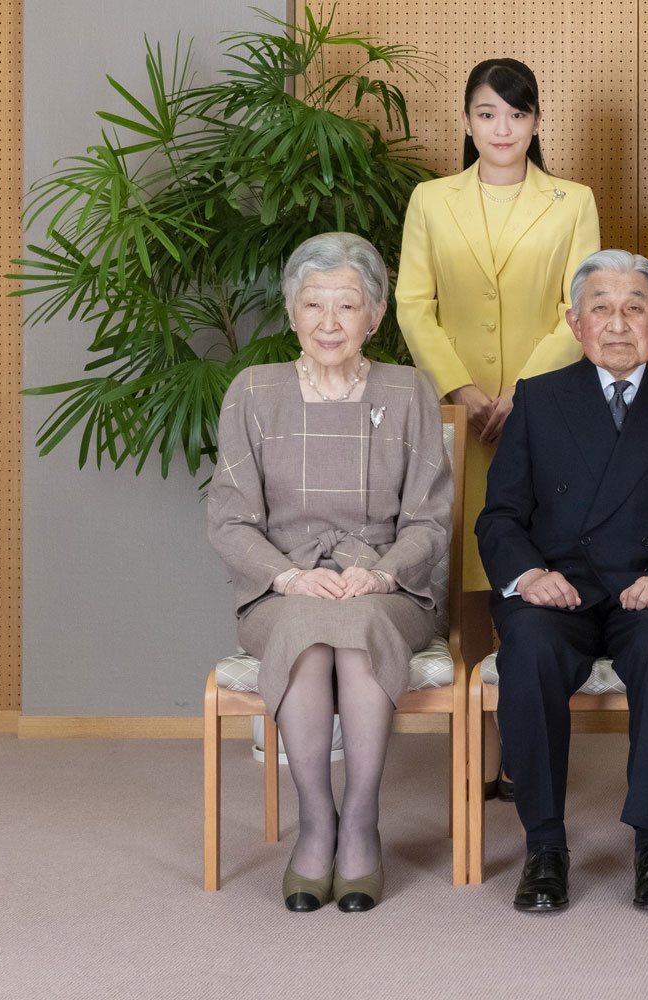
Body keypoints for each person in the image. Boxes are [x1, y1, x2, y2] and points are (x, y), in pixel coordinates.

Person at [474, 250, 648, 912]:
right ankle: (545, 845)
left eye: (633, 308)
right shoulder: (538, 400)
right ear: (574, 321)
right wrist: (529, 574)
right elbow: (499, 517)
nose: (618, 324)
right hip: (555, 588)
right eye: (601, 308)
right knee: (527, 651)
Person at [206, 233, 453, 913]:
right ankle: (317, 823)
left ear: (375, 317)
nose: (330, 322)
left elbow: (430, 521)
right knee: (313, 631)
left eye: (348, 305)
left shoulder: (408, 391)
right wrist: (286, 578)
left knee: (357, 623)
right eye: (314, 305)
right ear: (292, 312)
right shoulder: (253, 392)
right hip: (283, 589)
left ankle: (362, 822)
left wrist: (379, 574)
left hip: (387, 588)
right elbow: (229, 520)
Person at [395, 58, 601, 799]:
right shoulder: (431, 199)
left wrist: (520, 393)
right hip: (458, 417)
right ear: (466, 122)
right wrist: (465, 389)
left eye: (516, 115)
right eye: (487, 115)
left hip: (543, 413)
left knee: (532, 572)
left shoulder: (572, 200)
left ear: (537, 122)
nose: (502, 129)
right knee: (470, 588)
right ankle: (475, 751)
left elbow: (578, 305)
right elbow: (413, 303)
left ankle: (524, 747)